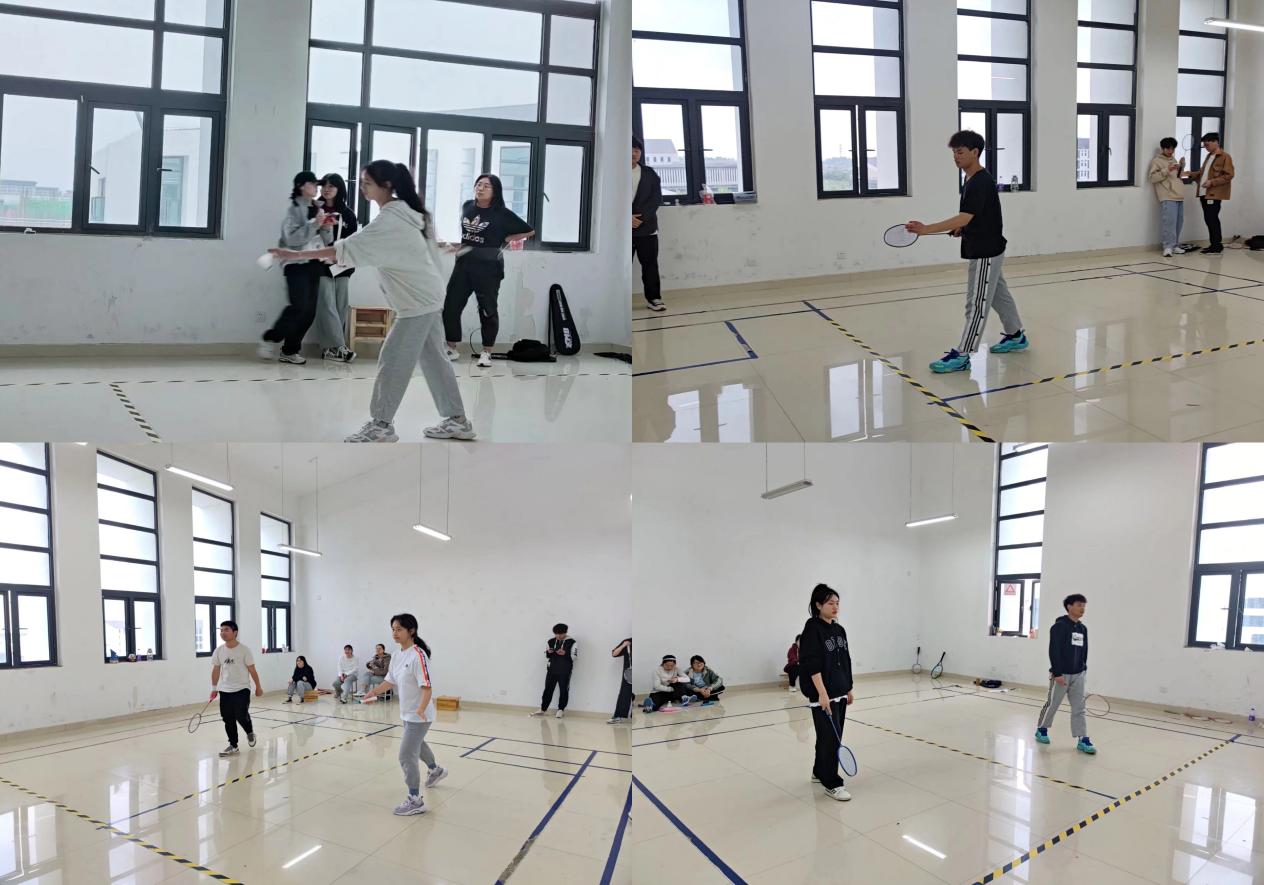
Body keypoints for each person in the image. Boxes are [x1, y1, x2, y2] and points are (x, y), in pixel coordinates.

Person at [270, 160, 476, 443]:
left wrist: (295, 255)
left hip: (417, 301)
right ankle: (458, 420)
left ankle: (381, 425)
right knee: (434, 360)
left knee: (393, 358)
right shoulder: (408, 212)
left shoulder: (392, 219)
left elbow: (348, 248)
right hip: (427, 296)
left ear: (386, 185)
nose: (363, 188)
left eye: (367, 183)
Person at [907, 130, 1028, 375]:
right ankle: (1016, 335)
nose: (956, 156)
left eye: (960, 152)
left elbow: (964, 216)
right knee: (998, 295)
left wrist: (927, 229)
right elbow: (975, 216)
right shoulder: (971, 179)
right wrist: (963, 228)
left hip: (986, 252)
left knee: (976, 304)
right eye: (954, 152)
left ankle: (963, 355)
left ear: (975, 152)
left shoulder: (980, 181)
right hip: (986, 247)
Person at [442, 174, 534, 368]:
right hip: (463, 264)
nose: (480, 188)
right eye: (478, 184)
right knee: (451, 306)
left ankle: (486, 352)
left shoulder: (501, 213)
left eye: (486, 186)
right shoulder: (467, 206)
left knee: (487, 310)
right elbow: (469, 235)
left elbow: (529, 230)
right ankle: (451, 347)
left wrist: (506, 238)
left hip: (489, 267)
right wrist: (457, 246)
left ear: (495, 191)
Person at [362, 613, 448, 815]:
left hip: (420, 715)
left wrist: (421, 709)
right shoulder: (397, 655)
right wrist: (374, 692)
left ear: (411, 631)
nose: (395, 633)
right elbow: (390, 680)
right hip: (407, 713)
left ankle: (415, 800)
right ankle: (435, 770)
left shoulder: (418, 655)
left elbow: (427, 687)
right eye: (393, 629)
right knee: (418, 745)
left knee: (406, 755)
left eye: (399, 629)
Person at [260, 171, 333, 365]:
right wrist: (314, 224)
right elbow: (292, 239)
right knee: (298, 306)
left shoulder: (319, 208)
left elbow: (327, 240)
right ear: (301, 185)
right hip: (295, 264)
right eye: (312, 184)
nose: (316, 187)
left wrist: (326, 226)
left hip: (315, 262)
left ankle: (289, 351)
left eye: (317, 184)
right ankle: (271, 338)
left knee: (309, 312)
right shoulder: (293, 209)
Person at [799, 584, 854, 802]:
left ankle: (818, 771)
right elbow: (811, 664)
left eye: (837, 603)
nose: (835, 607)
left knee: (830, 736)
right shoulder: (812, 629)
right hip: (824, 695)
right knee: (831, 739)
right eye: (830, 603)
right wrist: (822, 693)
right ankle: (832, 783)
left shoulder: (840, 630)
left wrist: (848, 687)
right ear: (818, 605)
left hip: (840, 693)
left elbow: (846, 660)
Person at [1035, 594, 1096, 754]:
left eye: (1084, 605)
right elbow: (1054, 650)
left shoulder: (1082, 629)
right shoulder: (1059, 627)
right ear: (1069, 606)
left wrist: (1083, 668)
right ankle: (1041, 729)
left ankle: (1082, 738)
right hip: (1061, 674)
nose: (1082, 608)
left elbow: (1084, 650)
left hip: (1078, 674)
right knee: (1053, 704)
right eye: (1079, 605)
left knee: (1079, 708)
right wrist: (1057, 673)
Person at [315, 173, 359, 363]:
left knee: (340, 305)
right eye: (324, 185)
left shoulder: (348, 214)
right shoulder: (315, 210)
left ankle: (330, 349)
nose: (327, 189)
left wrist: (342, 260)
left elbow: (353, 242)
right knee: (327, 304)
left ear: (339, 189)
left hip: (342, 266)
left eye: (331, 186)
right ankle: (339, 346)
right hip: (320, 264)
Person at [210, 620, 263, 757]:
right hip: (224, 690)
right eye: (221, 630)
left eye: (226, 630)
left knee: (241, 715)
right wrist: (214, 688)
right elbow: (216, 670)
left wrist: (258, 687)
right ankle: (233, 745)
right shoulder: (219, 650)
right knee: (227, 718)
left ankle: (249, 732)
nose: (223, 632)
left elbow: (252, 670)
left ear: (235, 633)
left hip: (242, 689)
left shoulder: (244, 650)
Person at [1182, 133, 1235, 254]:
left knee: (1212, 219)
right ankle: (1214, 245)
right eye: (1204, 145)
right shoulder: (1209, 156)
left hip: (1213, 194)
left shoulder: (1225, 157)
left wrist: (1212, 182)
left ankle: (1216, 246)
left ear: (1216, 142)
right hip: (1204, 193)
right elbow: (1202, 173)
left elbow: (1229, 175)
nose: (1206, 147)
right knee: (1209, 219)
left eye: (1207, 144)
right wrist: (1189, 174)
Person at [632, 136, 665, 313]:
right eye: (630, 150)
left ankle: (654, 298)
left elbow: (656, 198)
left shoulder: (649, 173)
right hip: (621, 229)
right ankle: (617, 301)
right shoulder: (615, 172)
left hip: (647, 229)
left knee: (650, 265)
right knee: (619, 268)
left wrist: (641, 218)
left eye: (637, 150)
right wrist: (626, 218)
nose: (634, 153)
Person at [1148, 138, 1187, 258]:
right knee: (1169, 223)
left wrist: (1181, 166)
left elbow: (1177, 177)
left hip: (1178, 195)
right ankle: (1168, 247)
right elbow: (1152, 178)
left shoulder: (1173, 160)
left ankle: (1174, 245)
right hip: (1167, 195)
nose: (1170, 151)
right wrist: (1167, 169)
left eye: (1172, 149)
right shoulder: (1156, 161)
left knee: (1179, 222)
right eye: (1168, 149)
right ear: (1163, 148)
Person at [531, 623, 578, 719]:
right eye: (556, 634)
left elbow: (574, 657)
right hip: (552, 670)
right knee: (548, 689)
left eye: (561, 634)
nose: (558, 636)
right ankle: (543, 709)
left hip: (565, 670)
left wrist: (565, 654)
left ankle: (561, 710)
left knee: (564, 690)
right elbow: (548, 655)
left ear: (565, 632)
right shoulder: (551, 641)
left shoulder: (572, 642)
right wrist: (549, 652)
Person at [608, 638, 633, 725]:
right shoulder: (628, 641)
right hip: (629, 674)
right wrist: (623, 645)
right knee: (624, 693)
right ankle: (618, 717)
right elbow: (614, 654)